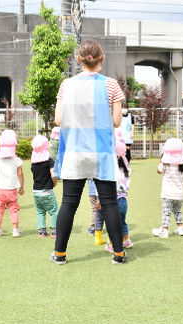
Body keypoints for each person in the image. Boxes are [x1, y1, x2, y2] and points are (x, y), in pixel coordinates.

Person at [51, 39, 127, 265]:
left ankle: (60, 254)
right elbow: (116, 121)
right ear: (102, 59)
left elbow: (58, 120)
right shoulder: (112, 85)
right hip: (102, 152)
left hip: (74, 151)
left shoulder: (66, 85)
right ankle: (119, 254)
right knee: (110, 202)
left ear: (78, 60)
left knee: (68, 203)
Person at [0, 129, 24, 237]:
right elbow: (20, 174)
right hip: (12, 190)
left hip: (0, 190)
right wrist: (21, 186)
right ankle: (15, 230)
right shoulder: (16, 160)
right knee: (13, 210)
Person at [152, 138, 183, 238]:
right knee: (178, 210)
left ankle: (165, 230)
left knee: (166, 212)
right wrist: (182, 187)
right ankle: (181, 228)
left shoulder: (166, 164)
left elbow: (158, 170)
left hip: (168, 193)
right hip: (179, 193)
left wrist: (160, 162)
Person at [103, 134, 134, 250]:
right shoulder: (125, 169)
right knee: (123, 222)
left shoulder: (112, 169)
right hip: (123, 200)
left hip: (113, 201)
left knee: (112, 224)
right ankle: (127, 241)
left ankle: (112, 244)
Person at [31, 135, 59, 238]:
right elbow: (53, 174)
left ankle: (41, 231)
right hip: (47, 191)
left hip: (36, 192)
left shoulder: (33, 162)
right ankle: (55, 231)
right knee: (54, 211)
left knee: (40, 212)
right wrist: (54, 183)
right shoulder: (49, 160)